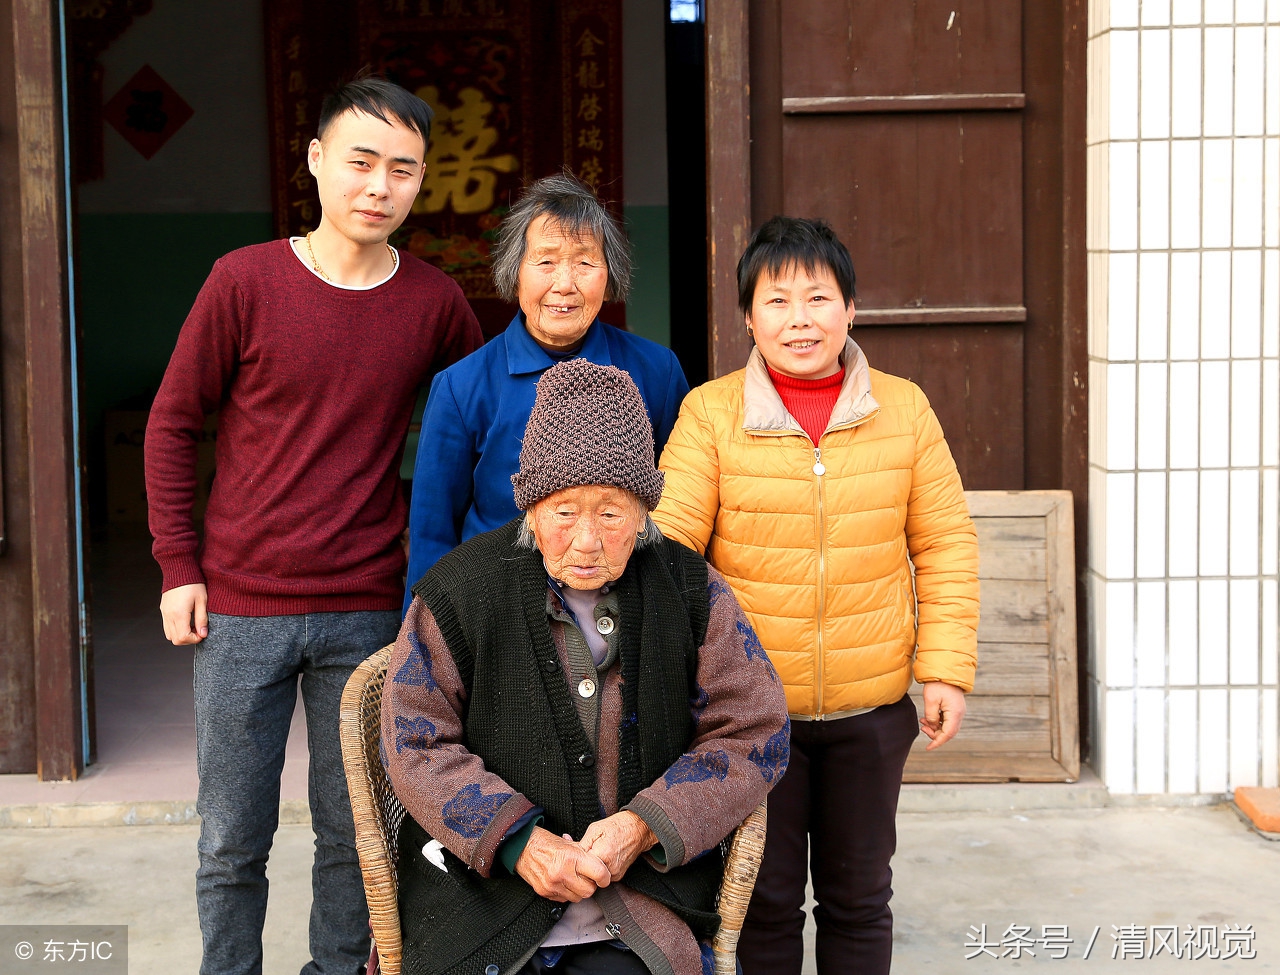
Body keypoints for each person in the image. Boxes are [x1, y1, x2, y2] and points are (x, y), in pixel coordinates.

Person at [144, 76, 483, 975]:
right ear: (317, 161)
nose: (379, 186)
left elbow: (476, 427)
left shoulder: (435, 302)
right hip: (240, 607)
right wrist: (180, 564)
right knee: (231, 837)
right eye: (361, 161)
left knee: (354, 834)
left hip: (367, 609)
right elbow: (174, 421)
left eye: (402, 169)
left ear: (421, 182)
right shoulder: (244, 281)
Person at [383, 359, 790, 975]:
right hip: (486, 900)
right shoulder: (462, 592)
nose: (586, 541)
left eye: (611, 511)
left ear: (646, 511)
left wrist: (644, 825)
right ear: (531, 507)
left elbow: (754, 730)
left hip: (641, 904)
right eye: (564, 510)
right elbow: (413, 739)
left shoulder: (690, 589)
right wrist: (516, 840)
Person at [651, 216, 979, 975]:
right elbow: (671, 552)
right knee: (762, 902)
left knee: (860, 894)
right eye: (777, 301)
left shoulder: (905, 409)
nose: (800, 320)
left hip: (871, 711)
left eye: (819, 298)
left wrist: (946, 668)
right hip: (752, 716)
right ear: (748, 317)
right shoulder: (710, 413)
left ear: (852, 309)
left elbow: (945, 543)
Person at [402, 172, 689, 609]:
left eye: (585, 263)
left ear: (608, 274)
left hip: (625, 605)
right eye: (546, 261)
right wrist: (422, 644)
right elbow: (432, 533)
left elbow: (679, 506)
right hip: (498, 609)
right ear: (514, 271)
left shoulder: (656, 371)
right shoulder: (462, 386)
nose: (564, 284)